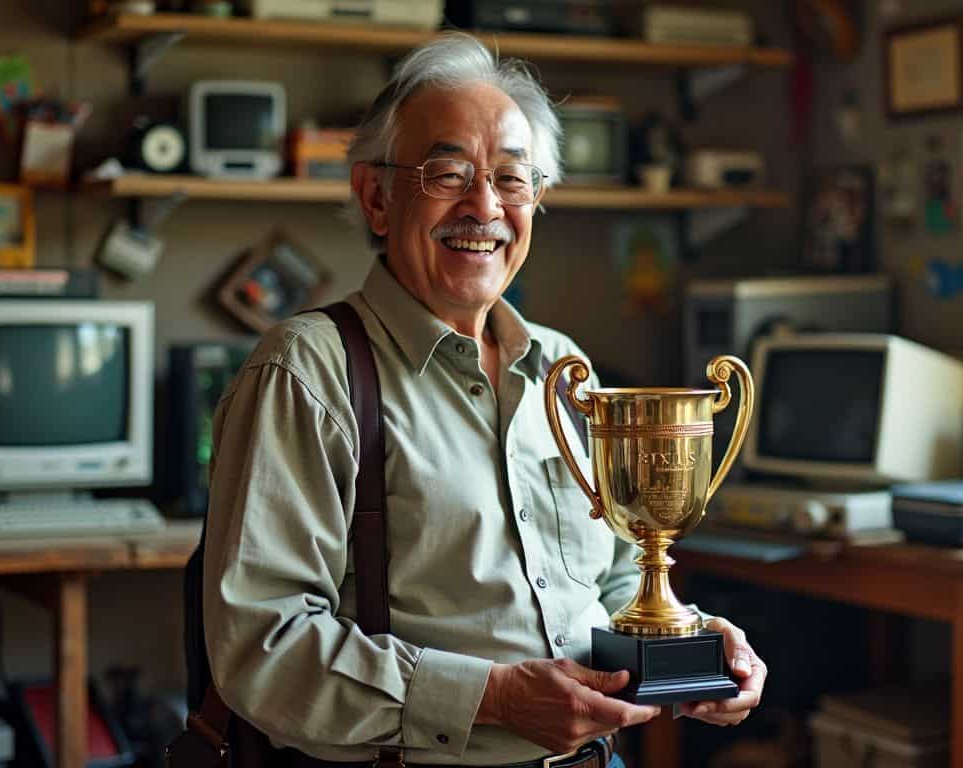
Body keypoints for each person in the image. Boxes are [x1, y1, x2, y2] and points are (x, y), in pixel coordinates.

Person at [202, 32, 766, 768]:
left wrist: (692, 640)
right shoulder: (309, 371)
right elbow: (262, 649)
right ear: (376, 196)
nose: (484, 206)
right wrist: (494, 698)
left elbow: (618, 579)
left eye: (511, 178)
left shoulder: (565, 369)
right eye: (447, 174)